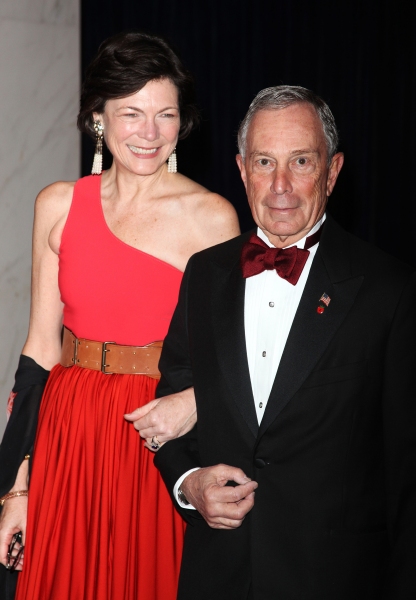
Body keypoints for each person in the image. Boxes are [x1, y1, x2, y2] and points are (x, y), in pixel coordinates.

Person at [0, 31, 239, 600]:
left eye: (165, 115)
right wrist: (16, 488)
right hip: (68, 433)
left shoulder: (212, 218)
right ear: (98, 119)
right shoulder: (58, 204)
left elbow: (237, 360)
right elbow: (39, 352)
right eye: (131, 113)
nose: (150, 133)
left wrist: (195, 402)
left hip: (156, 437)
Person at [154, 85, 416, 599]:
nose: (280, 186)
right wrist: (190, 484)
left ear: (333, 170)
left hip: (336, 579)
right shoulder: (204, 274)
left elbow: (407, 475)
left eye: (301, 161)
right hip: (219, 575)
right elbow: (176, 400)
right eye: (264, 162)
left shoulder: (392, 291)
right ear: (241, 168)